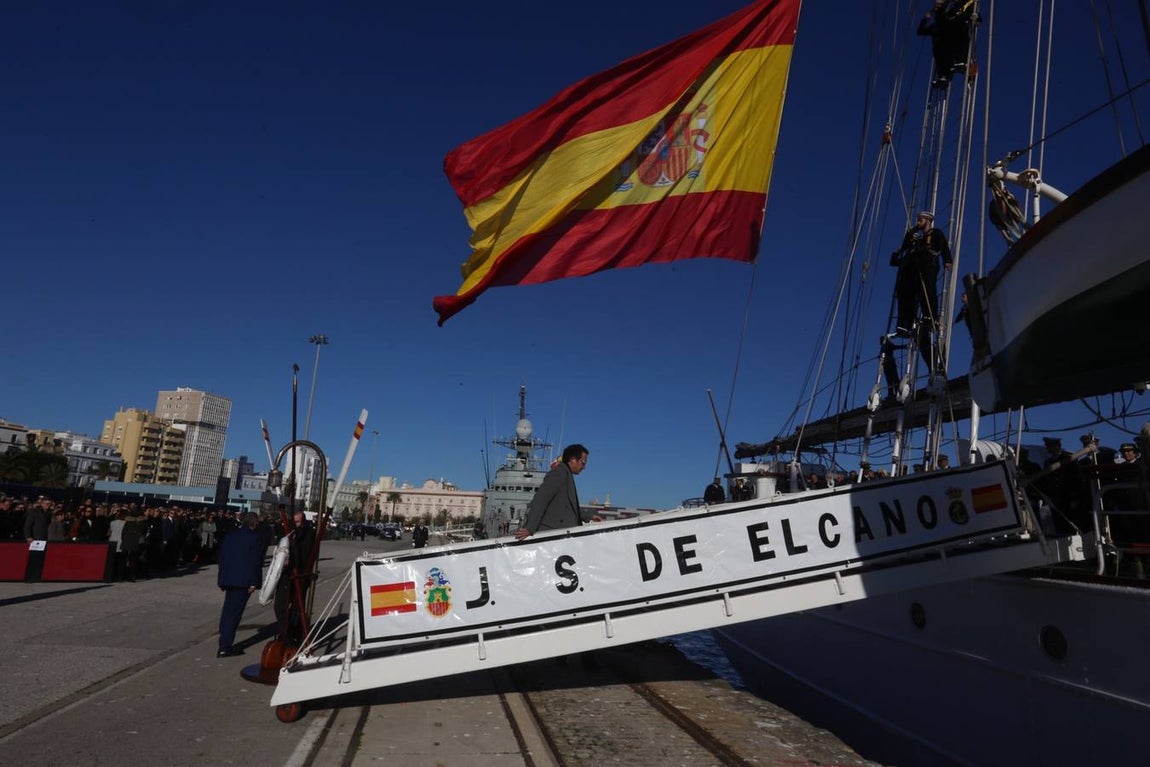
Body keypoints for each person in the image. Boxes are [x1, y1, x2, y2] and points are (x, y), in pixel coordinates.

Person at [891, 211, 952, 365]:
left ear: (928, 220)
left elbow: (943, 246)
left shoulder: (935, 233)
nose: (918, 221)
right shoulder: (915, 236)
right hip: (912, 266)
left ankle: (930, 316)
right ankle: (905, 323)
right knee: (906, 294)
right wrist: (911, 233)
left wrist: (947, 260)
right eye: (918, 219)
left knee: (927, 289)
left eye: (921, 219)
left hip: (927, 263)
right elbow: (904, 247)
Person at [516, 444, 589, 540]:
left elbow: (570, 506)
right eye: (583, 463)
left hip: (561, 536)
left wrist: (589, 517)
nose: (584, 467)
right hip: (553, 536)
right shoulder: (559, 473)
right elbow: (541, 499)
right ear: (572, 460)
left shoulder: (565, 474)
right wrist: (530, 528)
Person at [216, 512, 264, 658]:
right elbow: (255, 562)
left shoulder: (231, 536)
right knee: (234, 614)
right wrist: (254, 582)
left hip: (229, 579)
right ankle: (225, 646)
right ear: (253, 523)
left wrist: (222, 579)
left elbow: (222, 557)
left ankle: (223, 641)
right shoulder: (254, 538)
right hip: (243, 581)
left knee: (227, 612)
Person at [275, 509, 316, 644]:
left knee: (297, 606)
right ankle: (284, 632)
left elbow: (305, 554)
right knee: (280, 605)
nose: (296, 524)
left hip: (300, 574)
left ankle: (294, 635)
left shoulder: (308, 533)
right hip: (286, 574)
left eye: (298, 521)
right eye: (294, 521)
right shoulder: (288, 531)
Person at [918, 0, 975, 87]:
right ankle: (944, 76)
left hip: (953, 47)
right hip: (943, 51)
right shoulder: (936, 26)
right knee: (939, 49)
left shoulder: (950, 19)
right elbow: (921, 31)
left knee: (959, 32)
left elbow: (964, 14)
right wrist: (926, 18)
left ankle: (962, 62)